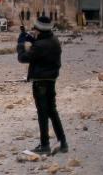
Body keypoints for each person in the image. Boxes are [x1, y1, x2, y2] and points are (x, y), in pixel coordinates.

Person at [17, 15, 68, 155]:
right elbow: (43, 47)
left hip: (40, 82)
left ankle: (44, 145)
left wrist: (21, 43)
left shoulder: (40, 45)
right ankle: (63, 142)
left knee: (42, 113)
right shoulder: (54, 40)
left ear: (40, 29)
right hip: (51, 80)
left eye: (35, 29)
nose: (34, 31)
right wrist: (34, 40)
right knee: (52, 111)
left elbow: (22, 58)